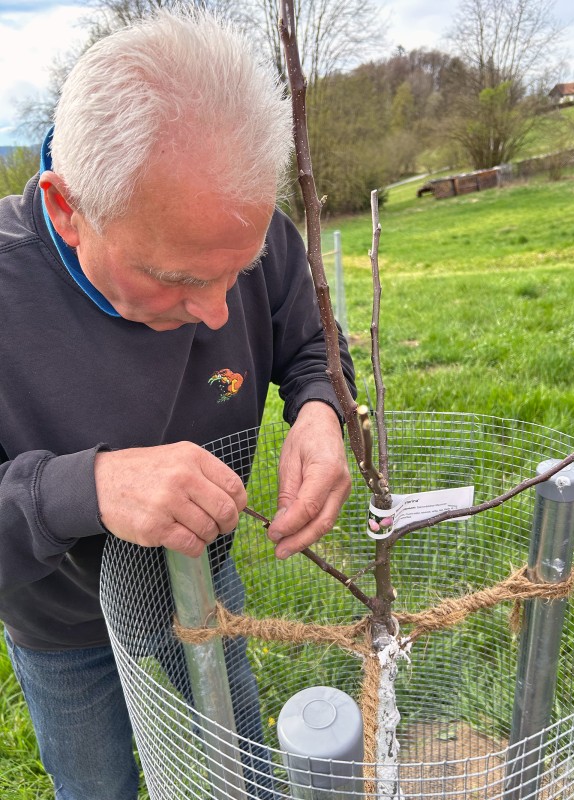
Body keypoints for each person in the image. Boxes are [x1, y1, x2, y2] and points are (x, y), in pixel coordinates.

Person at [0, 8, 355, 800]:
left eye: (242, 267)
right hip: (63, 629)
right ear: (66, 207)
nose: (222, 315)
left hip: (207, 581)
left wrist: (320, 407)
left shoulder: (237, 227)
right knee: (96, 785)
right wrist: (83, 490)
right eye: (181, 280)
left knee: (244, 770)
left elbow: (309, 342)